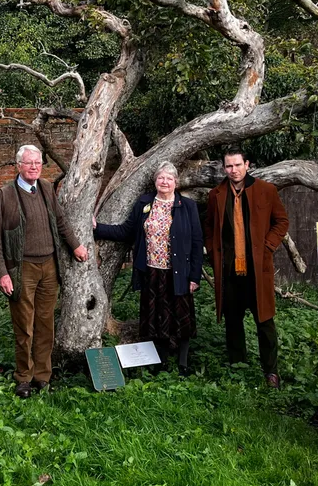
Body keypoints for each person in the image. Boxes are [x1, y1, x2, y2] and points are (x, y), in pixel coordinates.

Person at [0, 144, 89, 398]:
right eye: (29, 163)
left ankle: (42, 376)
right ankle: (24, 377)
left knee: (45, 324)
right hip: (22, 268)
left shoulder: (45, 188)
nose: (34, 167)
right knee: (24, 325)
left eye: (38, 163)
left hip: (49, 266)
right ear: (19, 165)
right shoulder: (5, 194)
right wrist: (2, 273)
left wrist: (75, 246)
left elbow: (61, 220)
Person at [93, 162, 203, 374]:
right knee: (156, 317)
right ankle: (159, 361)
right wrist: (97, 228)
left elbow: (197, 242)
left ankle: (182, 363)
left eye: (169, 178)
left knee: (181, 317)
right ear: (155, 181)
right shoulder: (145, 203)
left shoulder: (187, 207)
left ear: (176, 183)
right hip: (151, 271)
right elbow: (127, 231)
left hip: (178, 272)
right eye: (161, 178)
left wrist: (194, 277)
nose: (164, 182)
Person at [204, 146, 290, 387]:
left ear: (247, 164)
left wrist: (267, 247)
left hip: (257, 270)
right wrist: (213, 253)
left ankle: (271, 371)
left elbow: (281, 221)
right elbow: (208, 227)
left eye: (237, 165)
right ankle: (237, 366)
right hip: (230, 271)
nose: (233, 170)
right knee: (233, 321)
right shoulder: (216, 195)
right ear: (224, 168)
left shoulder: (266, 190)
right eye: (229, 166)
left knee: (265, 321)